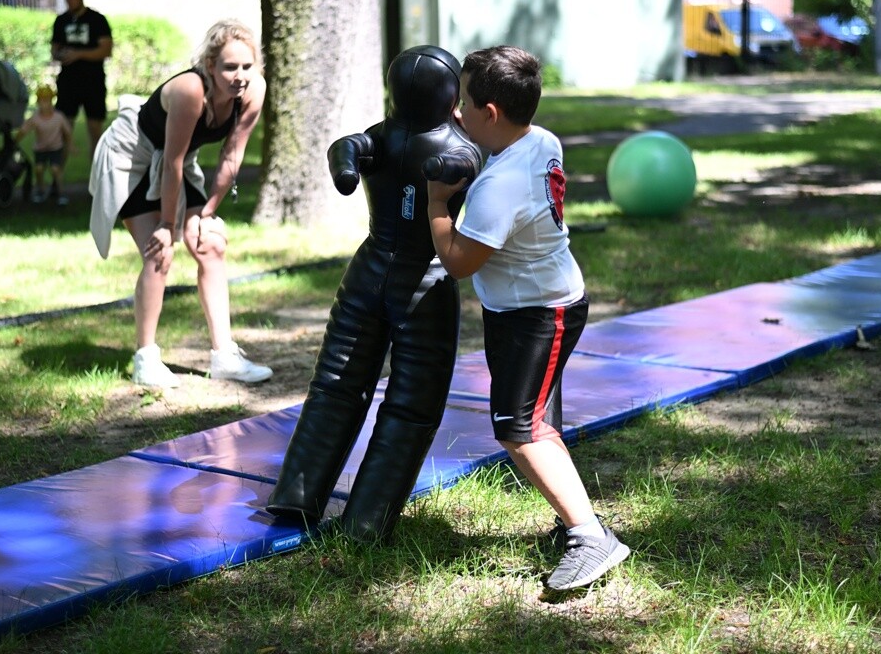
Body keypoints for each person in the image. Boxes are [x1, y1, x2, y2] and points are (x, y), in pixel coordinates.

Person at [426, 45, 630, 591]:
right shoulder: (540, 139)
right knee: (532, 421)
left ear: (490, 114)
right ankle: (576, 523)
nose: (455, 112)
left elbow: (460, 262)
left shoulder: (498, 187)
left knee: (519, 427)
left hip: (539, 313)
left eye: (464, 103)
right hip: (532, 303)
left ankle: (591, 537)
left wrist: (437, 205)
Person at [266, 45, 482, 543]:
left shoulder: (387, 137)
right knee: (410, 406)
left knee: (336, 385)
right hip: (422, 284)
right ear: (450, 94)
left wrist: (350, 165)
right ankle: (364, 520)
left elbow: (349, 147)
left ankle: (299, 494)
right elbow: (450, 163)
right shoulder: (455, 143)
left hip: (370, 270)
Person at [88, 19, 272, 388]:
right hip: (133, 159)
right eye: (229, 67)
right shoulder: (191, 90)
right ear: (210, 67)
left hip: (176, 162)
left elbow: (230, 158)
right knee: (160, 253)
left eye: (247, 67)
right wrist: (168, 226)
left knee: (211, 245)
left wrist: (205, 214)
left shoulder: (253, 92)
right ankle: (145, 358)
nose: (239, 76)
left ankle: (224, 356)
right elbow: (170, 162)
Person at [51, 0, 112, 163]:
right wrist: (64, 54)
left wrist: (79, 54)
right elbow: (54, 50)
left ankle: (95, 183)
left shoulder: (97, 20)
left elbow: (106, 49)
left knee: (95, 131)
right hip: (68, 83)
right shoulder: (61, 21)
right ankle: (57, 183)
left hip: (92, 82)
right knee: (62, 129)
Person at [15, 84, 73, 206]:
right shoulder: (35, 118)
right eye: (41, 100)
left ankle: (60, 192)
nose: (44, 103)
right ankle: (41, 190)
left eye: (46, 100)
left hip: (55, 148)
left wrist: (70, 145)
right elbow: (24, 130)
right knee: (39, 169)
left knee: (55, 169)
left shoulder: (59, 117)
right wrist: (15, 141)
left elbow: (67, 132)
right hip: (40, 149)